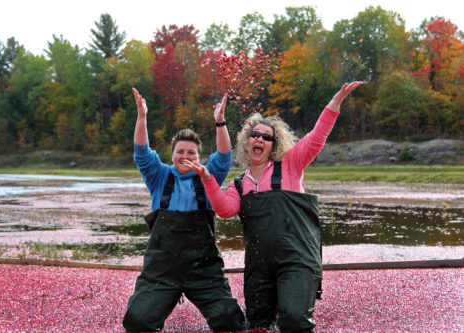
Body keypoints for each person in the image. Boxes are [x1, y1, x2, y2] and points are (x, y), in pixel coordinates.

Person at [184, 81, 364, 332]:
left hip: (297, 257)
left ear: (274, 144)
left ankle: (291, 301)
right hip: (260, 265)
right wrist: (207, 179)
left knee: (294, 322)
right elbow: (225, 210)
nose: (259, 138)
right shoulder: (238, 184)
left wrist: (334, 104)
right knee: (259, 324)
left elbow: (317, 137)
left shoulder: (291, 163)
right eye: (254, 135)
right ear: (247, 142)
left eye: (266, 137)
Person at [122, 88, 245, 332]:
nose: (185, 156)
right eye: (180, 152)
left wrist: (220, 122)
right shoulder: (158, 175)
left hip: (203, 268)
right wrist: (142, 115)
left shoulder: (208, 176)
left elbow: (224, 156)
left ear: (199, 157)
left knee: (230, 321)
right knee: (137, 322)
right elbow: (142, 152)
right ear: (172, 154)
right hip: (161, 270)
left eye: (191, 153)